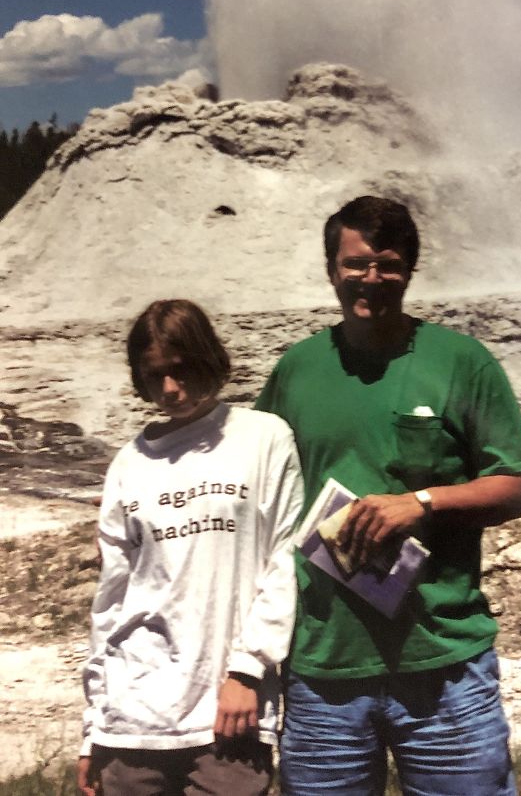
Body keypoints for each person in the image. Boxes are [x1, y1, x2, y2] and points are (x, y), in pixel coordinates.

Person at [256, 196, 521, 795]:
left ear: (409, 270)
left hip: (442, 663)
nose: (371, 279)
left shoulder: (462, 362)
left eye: (387, 264)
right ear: (331, 268)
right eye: (356, 263)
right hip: (323, 668)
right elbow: (257, 494)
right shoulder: (295, 372)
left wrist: (423, 502)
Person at [77, 299, 303, 796]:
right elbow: (111, 602)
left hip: (228, 716)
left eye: (180, 370)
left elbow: (285, 560)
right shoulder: (128, 464)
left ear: (208, 358)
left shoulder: (263, 438)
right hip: (132, 718)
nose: (170, 390)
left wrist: (247, 670)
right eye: (153, 376)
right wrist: (94, 726)